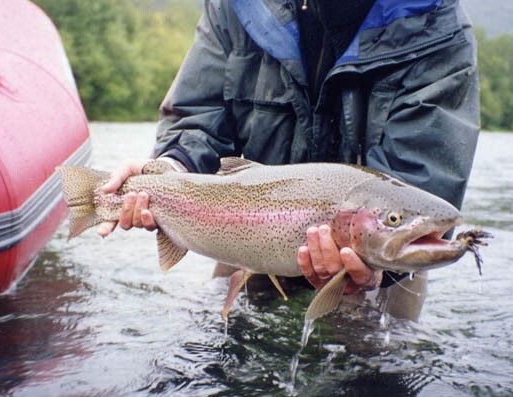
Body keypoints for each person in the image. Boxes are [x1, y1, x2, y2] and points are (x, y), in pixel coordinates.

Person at [98, 0, 480, 320]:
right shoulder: (239, 5)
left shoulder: (435, 25)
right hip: (249, 228)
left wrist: (378, 272)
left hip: (381, 257)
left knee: (377, 371)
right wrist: (169, 168)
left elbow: (420, 181)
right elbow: (199, 113)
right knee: (225, 356)